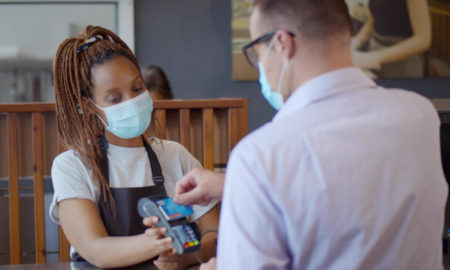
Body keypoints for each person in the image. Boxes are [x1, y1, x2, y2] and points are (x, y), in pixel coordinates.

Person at [175, 0, 448, 269]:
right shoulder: (419, 115)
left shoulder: (259, 157)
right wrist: (235, 184)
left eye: (257, 52)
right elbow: (357, 187)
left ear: (282, 43)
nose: (260, 65)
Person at [50, 25, 219, 269]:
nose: (132, 101)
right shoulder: (72, 166)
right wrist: (160, 242)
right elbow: (96, 250)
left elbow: (212, 236)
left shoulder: (175, 156)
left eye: (138, 89)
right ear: (89, 107)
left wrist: (181, 258)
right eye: (114, 98)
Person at [350, 0, 431, 78]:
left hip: (402, 64)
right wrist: (355, 42)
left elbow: (423, 40)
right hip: (375, 55)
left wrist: (372, 58)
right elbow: (370, 24)